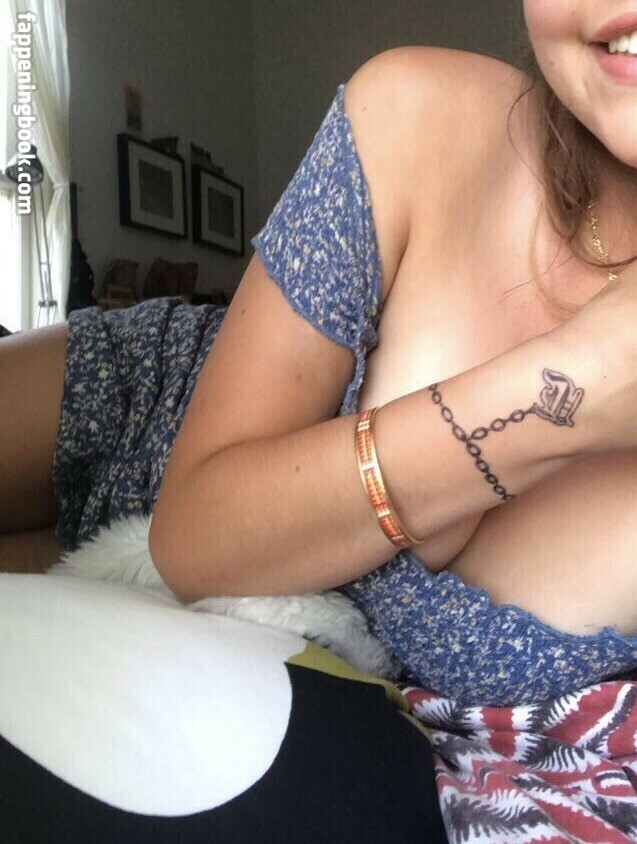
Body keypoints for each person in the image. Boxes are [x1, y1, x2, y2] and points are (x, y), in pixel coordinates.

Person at [2, 3, 637, 711]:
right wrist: (571, 389)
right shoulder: (418, 110)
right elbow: (193, 537)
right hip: (146, 403)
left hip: (183, 625)